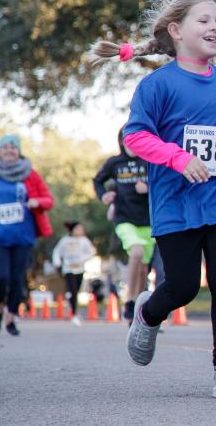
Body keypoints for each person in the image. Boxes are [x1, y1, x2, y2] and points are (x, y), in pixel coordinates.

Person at [91, 0, 216, 399]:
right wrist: (177, 158)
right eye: (204, 20)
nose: (215, 28)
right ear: (176, 30)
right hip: (175, 202)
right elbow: (136, 137)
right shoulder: (157, 86)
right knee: (184, 287)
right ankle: (148, 313)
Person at [93, 131, 153, 322]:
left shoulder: (150, 160)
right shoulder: (114, 163)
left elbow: (165, 183)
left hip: (149, 222)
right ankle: (129, 301)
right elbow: (97, 181)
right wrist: (104, 195)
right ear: (121, 140)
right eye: (127, 137)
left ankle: (140, 309)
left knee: (144, 268)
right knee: (136, 253)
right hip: (124, 219)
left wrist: (149, 187)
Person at [0, 134, 54, 336]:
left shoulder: (29, 174)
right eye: (5, 147)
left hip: (23, 235)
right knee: (1, 277)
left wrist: (37, 202)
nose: (9, 151)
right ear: (0, 151)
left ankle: (11, 316)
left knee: (16, 279)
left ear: (18, 151)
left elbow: (49, 200)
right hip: (0, 237)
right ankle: (0, 308)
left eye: (13, 148)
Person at [52, 221, 97, 325]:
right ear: (73, 230)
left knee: (76, 290)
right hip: (68, 269)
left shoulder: (84, 241)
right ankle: (74, 313)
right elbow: (57, 252)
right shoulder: (65, 241)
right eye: (78, 228)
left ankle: (71, 305)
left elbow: (92, 252)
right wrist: (57, 263)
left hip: (80, 269)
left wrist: (82, 259)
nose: (80, 230)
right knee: (72, 290)